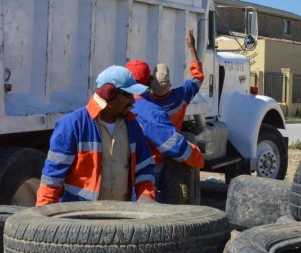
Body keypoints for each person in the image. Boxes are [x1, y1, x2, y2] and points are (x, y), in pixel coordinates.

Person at [36, 66, 156, 205]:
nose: (133, 101)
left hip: (121, 217)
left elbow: (145, 169)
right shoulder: (72, 125)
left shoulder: (133, 127)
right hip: (80, 220)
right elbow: (52, 178)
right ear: (109, 93)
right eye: (129, 95)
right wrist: (44, 217)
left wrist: (146, 197)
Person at [129, 29, 204, 130]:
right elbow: (198, 76)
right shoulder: (181, 96)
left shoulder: (143, 101)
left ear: (150, 84)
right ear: (169, 84)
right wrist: (192, 48)